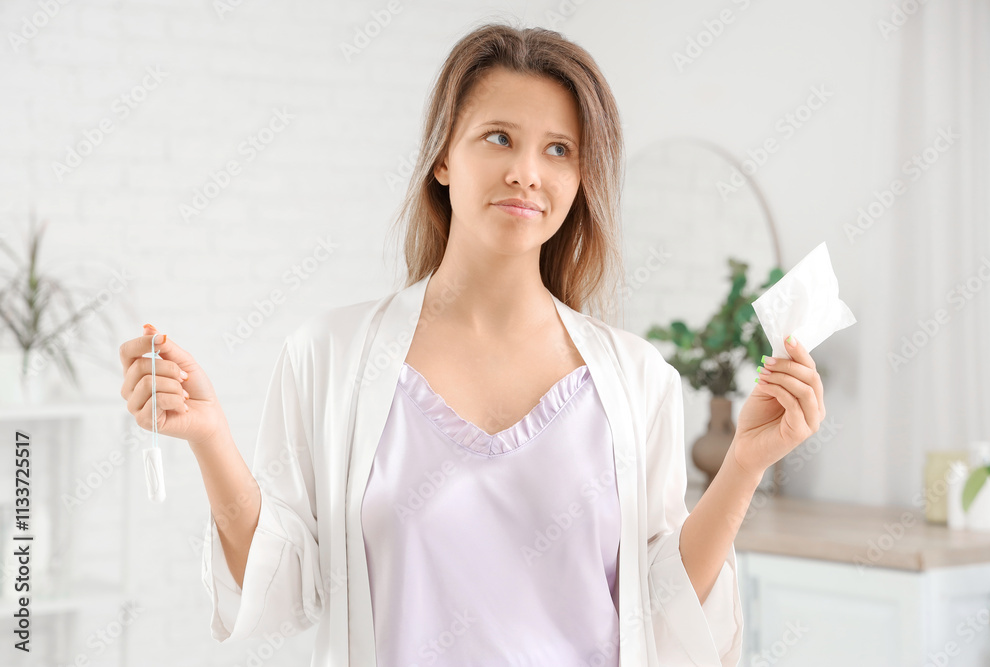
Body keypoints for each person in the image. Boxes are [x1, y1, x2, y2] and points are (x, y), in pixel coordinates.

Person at [118, 20, 826, 667]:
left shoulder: (639, 378)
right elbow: (285, 588)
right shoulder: (328, 356)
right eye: (499, 137)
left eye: (559, 150)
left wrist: (743, 463)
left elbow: (661, 605)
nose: (528, 171)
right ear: (443, 158)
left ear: (580, 180)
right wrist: (209, 437)